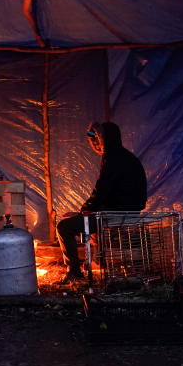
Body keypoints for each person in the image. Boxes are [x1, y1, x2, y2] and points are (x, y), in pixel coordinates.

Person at [56, 121, 147, 283]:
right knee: (87, 224)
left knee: (64, 227)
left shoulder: (112, 158)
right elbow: (109, 192)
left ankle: (74, 273)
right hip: (127, 211)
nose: (94, 144)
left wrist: (83, 211)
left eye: (96, 139)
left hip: (116, 214)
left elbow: (101, 191)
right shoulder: (125, 156)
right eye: (93, 140)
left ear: (103, 139)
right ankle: (104, 264)